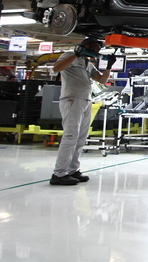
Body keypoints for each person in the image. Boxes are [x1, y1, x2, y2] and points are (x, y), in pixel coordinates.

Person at [50, 37, 115, 186]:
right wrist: (75, 54)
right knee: (71, 135)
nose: (96, 51)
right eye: (95, 47)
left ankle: (72, 170)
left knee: (80, 138)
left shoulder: (88, 64)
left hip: (85, 101)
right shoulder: (69, 56)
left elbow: (102, 80)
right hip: (72, 100)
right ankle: (59, 173)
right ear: (85, 45)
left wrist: (109, 67)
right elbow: (56, 68)